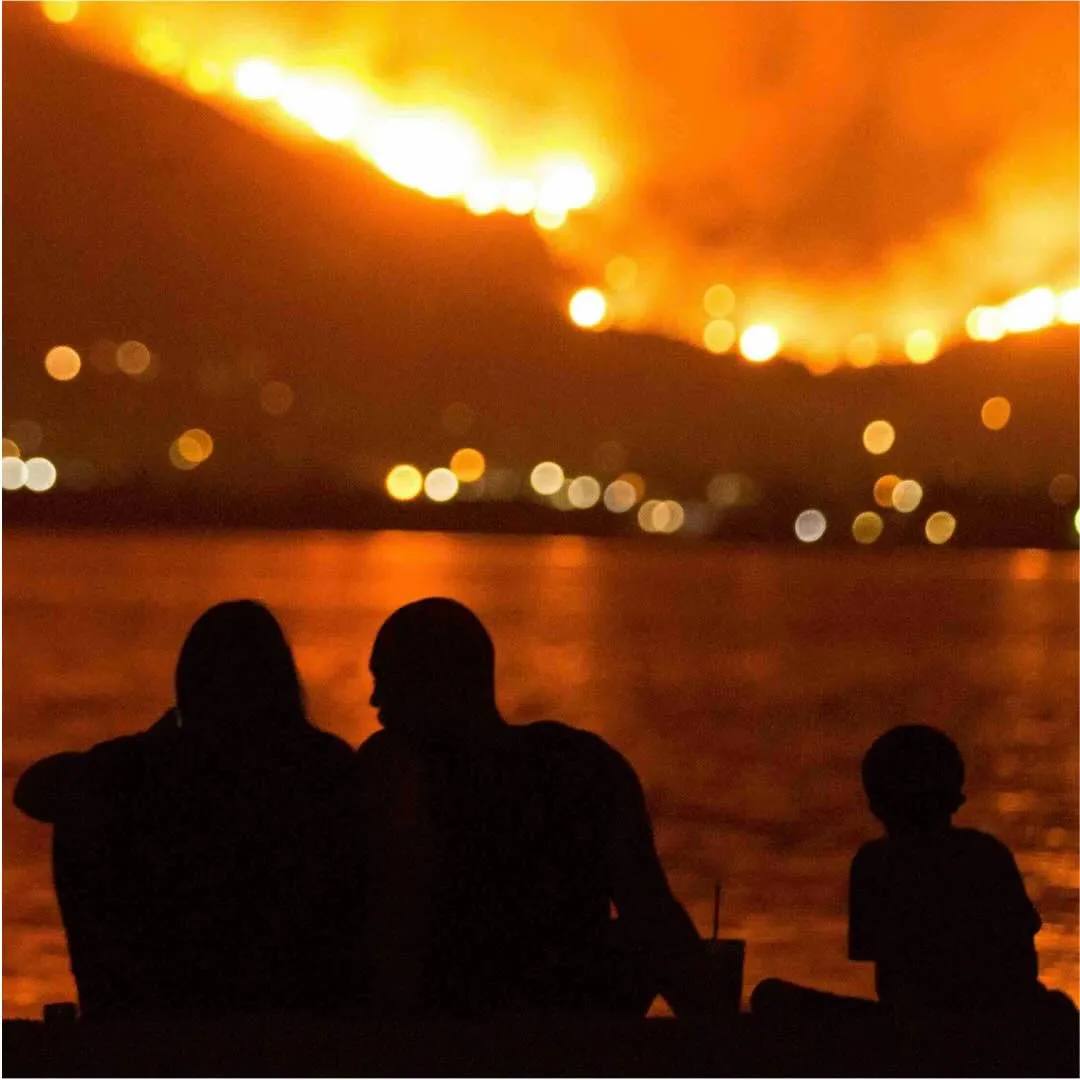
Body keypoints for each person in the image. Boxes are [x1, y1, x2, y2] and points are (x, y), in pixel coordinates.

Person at [353, 596, 717, 1018]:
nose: (376, 702)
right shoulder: (584, 764)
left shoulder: (393, 775)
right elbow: (654, 915)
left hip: (442, 1026)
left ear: (436, 684)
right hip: (573, 1017)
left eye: (388, 680)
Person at [14, 600, 356, 1019]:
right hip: (296, 992)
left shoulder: (152, 765)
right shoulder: (327, 762)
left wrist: (149, 748)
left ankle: (110, 1015)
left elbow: (34, 790)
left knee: (82, 807)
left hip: (176, 987)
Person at [752, 724, 1057, 1018]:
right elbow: (1022, 966)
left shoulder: (875, 864)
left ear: (876, 805)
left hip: (919, 1031)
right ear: (955, 799)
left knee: (771, 996)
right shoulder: (988, 853)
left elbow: (893, 987)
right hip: (1001, 1024)